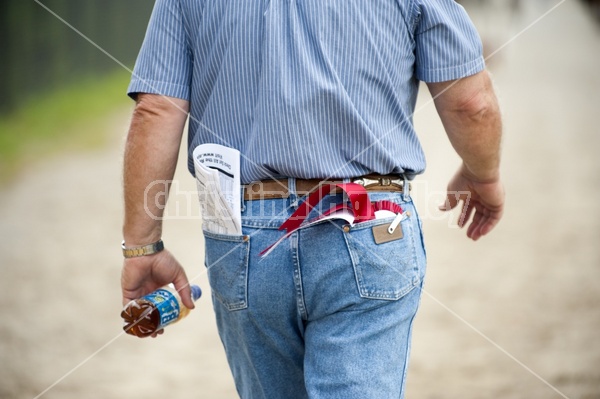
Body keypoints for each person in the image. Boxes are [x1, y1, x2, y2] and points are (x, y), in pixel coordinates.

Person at [120, 0, 504, 398]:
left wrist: (142, 247)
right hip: (369, 222)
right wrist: (483, 173)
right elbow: (471, 103)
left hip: (244, 236)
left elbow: (156, 108)